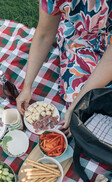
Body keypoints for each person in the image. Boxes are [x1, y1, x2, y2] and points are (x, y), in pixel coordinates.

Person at [16, 0, 112, 137]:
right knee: (82, 105)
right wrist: (27, 86)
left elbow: (110, 61)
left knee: (89, 104)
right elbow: (44, 35)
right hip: (80, 38)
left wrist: (76, 104)